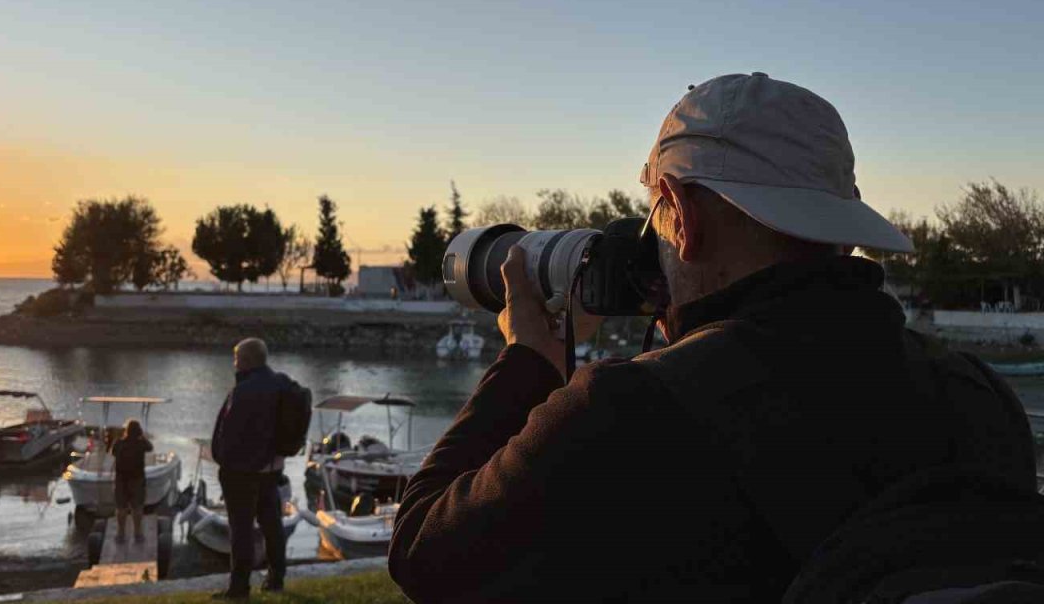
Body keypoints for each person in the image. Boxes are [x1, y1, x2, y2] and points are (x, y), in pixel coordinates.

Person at [388, 73, 1037, 602]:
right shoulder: (978, 398)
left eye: (655, 218)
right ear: (841, 224)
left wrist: (528, 357)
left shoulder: (629, 413)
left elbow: (423, 553)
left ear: (681, 214)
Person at [210, 337, 306, 600]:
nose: (234, 363)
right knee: (271, 524)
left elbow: (230, 433)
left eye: (236, 358)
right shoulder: (284, 384)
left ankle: (239, 587)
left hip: (242, 471)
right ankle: (276, 579)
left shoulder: (244, 391)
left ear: (246, 361)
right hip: (271, 469)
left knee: (241, 530)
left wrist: (223, 461)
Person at [110, 418, 152, 543]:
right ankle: (137, 533)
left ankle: (120, 533)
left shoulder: (119, 443)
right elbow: (150, 447)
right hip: (137, 480)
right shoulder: (141, 444)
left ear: (127, 430)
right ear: (139, 431)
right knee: (137, 508)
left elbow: (113, 452)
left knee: (121, 508)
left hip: (121, 480)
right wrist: (142, 437)